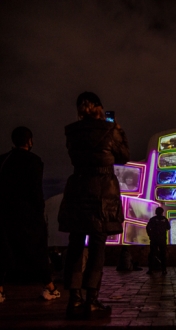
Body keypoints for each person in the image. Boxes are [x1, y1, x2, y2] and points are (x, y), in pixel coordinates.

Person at [58, 92, 129, 319]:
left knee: (76, 243)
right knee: (98, 244)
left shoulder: (72, 131)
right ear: (100, 108)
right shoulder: (110, 130)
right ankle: (91, 299)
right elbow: (123, 156)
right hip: (102, 191)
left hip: (78, 187)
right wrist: (118, 129)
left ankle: (74, 299)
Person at [0, 127, 60, 303]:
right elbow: (35, 189)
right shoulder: (34, 161)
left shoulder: (3, 161)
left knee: (5, 249)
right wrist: (39, 209)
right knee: (38, 249)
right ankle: (49, 286)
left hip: (5, 212)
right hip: (28, 213)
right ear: (29, 141)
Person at [146, 207, 170, 275]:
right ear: (162, 212)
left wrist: (150, 235)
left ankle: (151, 270)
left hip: (154, 240)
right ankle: (164, 270)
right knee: (163, 255)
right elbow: (168, 227)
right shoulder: (164, 219)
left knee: (152, 254)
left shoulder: (153, 219)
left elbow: (148, 228)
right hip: (162, 240)